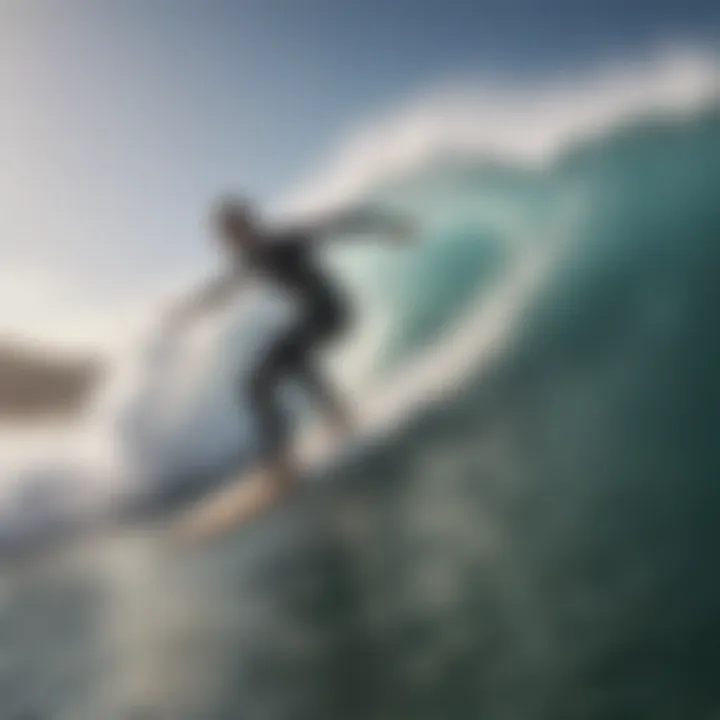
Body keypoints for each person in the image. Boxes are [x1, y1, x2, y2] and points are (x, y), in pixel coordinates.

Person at [165, 196, 414, 539]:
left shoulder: (281, 240)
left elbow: (334, 227)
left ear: (248, 225)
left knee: (267, 377)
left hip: (332, 311)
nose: (227, 242)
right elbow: (223, 288)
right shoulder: (252, 257)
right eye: (224, 237)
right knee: (272, 375)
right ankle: (336, 418)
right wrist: (188, 309)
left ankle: (285, 461)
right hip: (313, 316)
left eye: (231, 232)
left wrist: (388, 229)